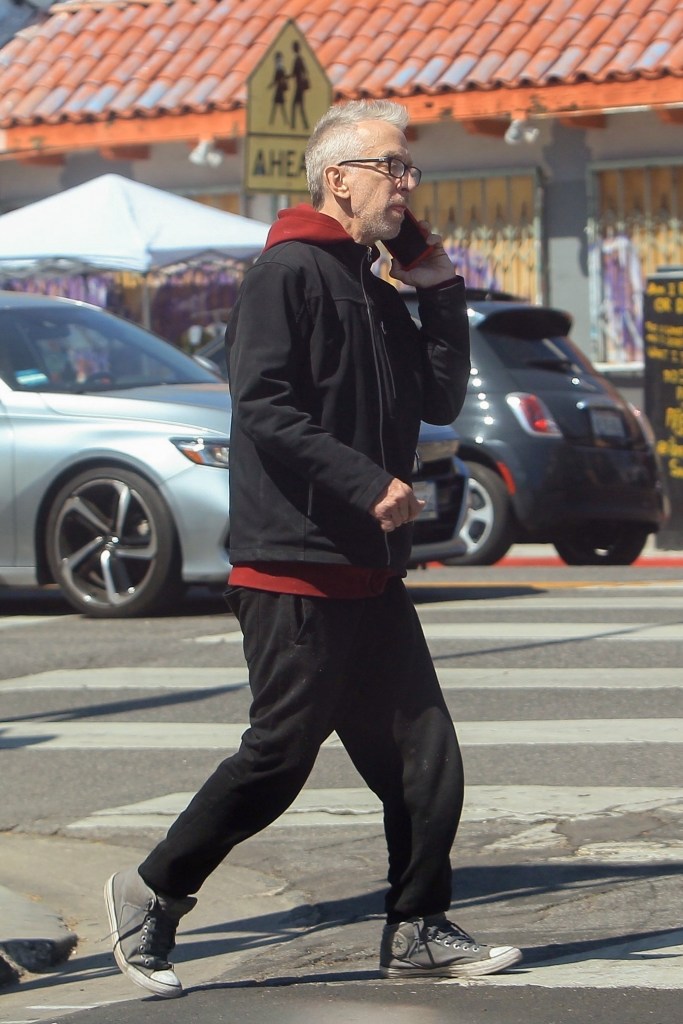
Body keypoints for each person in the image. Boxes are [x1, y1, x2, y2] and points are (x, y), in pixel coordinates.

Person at [104, 99, 523, 998]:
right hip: (291, 563)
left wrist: (439, 291)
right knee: (277, 758)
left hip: (369, 571)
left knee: (424, 758)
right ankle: (152, 890)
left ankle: (416, 926)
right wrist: (364, 481)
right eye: (390, 167)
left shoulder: (374, 286)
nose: (406, 185)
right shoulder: (284, 274)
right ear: (338, 178)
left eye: (409, 169)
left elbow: (440, 399)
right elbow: (262, 405)